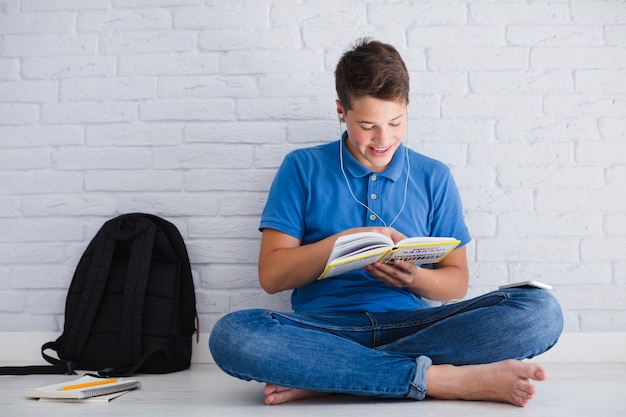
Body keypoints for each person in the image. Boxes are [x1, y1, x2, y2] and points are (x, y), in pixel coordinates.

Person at [209, 38, 563, 407]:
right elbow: (271, 276)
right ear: (341, 112)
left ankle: (331, 376)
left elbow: (456, 283)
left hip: (417, 326)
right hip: (327, 330)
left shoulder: (433, 176)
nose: (383, 139)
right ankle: (439, 379)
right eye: (367, 125)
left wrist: (416, 277)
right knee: (234, 335)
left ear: (407, 108)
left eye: (395, 122)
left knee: (540, 311)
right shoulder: (302, 167)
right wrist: (339, 244)